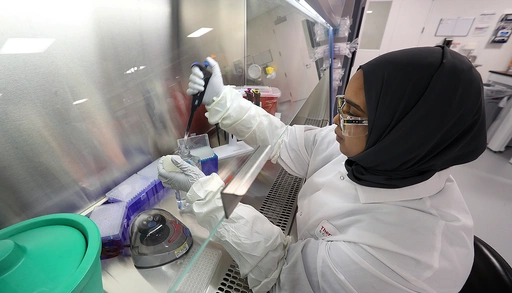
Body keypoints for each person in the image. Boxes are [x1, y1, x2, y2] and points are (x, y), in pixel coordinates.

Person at [158, 46, 487, 293]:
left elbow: (283, 272)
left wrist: (206, 195)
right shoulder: (384, 154)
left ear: (404, 133)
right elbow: (286, 140)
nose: (335, 120)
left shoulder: (405, 259)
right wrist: (221, 101)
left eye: (352, 113)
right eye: (343, 103)